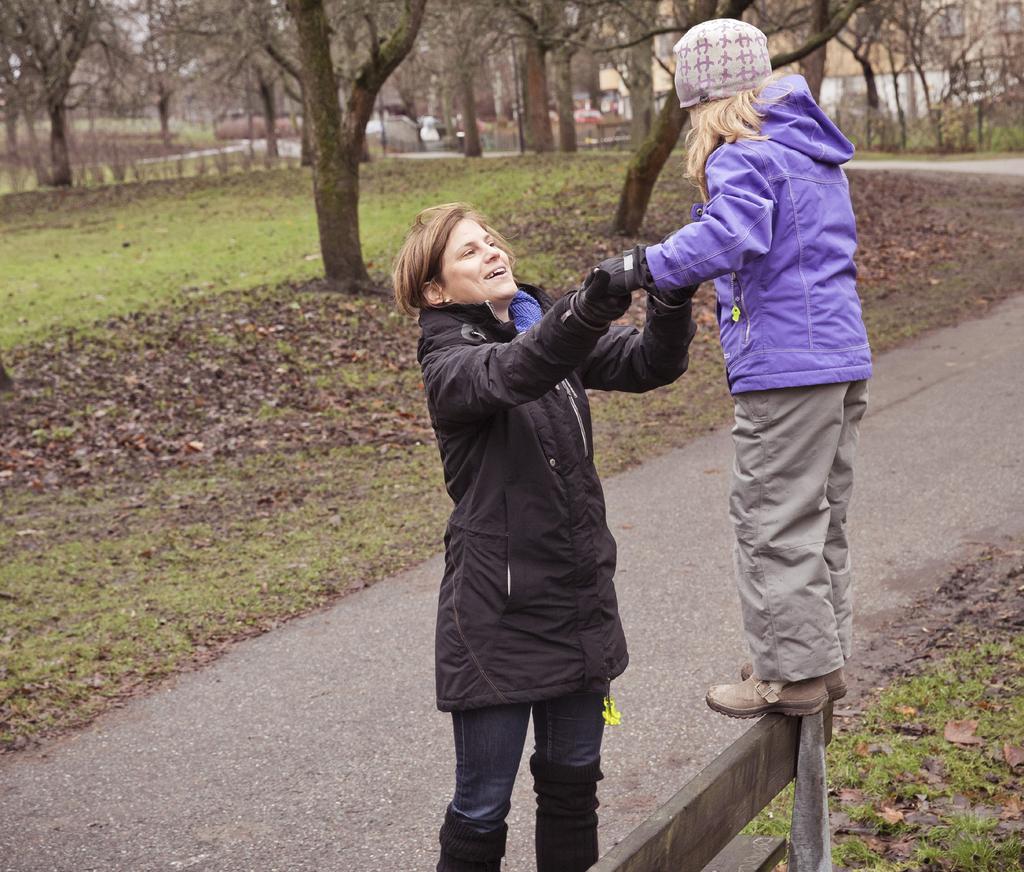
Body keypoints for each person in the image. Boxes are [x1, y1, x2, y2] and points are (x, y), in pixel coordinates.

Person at [392, 202, 697, 872]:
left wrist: (672, 290)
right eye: (469, 252)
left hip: (576, 602)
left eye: (492, 240)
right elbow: (516, 370)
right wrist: (589, 302)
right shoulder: (449, 362)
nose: (492, 253)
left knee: (572, 794)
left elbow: (651, 362)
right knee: (480, 812)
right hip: (497, 621)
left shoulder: (540, 326)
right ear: (435, 291)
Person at [595, 19, 872, 719]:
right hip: (840, 357)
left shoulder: (742, 153)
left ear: (705, 102)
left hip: (785, 366)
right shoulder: (809, 149)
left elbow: (732, 232)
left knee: (768, 516)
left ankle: (792, 674)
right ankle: (819, 656)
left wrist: (643, 266)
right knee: (818, 514)